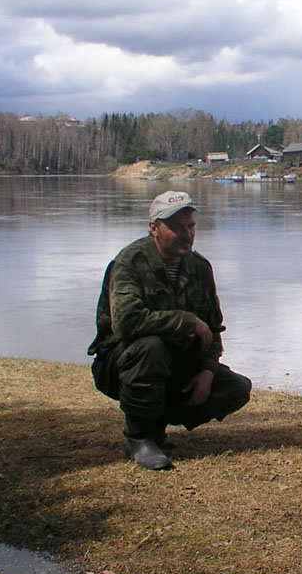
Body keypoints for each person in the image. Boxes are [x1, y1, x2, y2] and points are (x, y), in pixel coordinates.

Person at [88, 190, 252, 470]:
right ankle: (138, 436)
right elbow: (127, 323)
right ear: (154, 228)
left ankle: (157, 423)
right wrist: (186, 321)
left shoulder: (200, 267)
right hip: (121, 363)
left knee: (236, 389)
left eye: (190, 226)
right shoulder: (129, 263)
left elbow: (213, 330)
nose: (186, 234)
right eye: (176, 227)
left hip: (173, 364)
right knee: (151, 347)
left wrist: (208, 372)